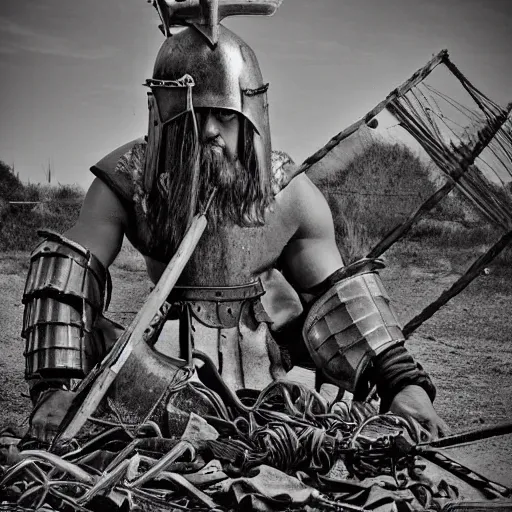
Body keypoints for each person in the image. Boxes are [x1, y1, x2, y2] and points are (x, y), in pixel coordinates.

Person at [21, 8, 448, 444]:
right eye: (194, 114)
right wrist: (54, 388)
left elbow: (340, 299)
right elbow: (65, 272)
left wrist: (403, 384)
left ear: (252, 116)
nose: (209, 131)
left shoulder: (290, 196)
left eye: (225, 115)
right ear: (162, 114)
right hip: (154, 371)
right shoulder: (130, 180)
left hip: (265, 384)